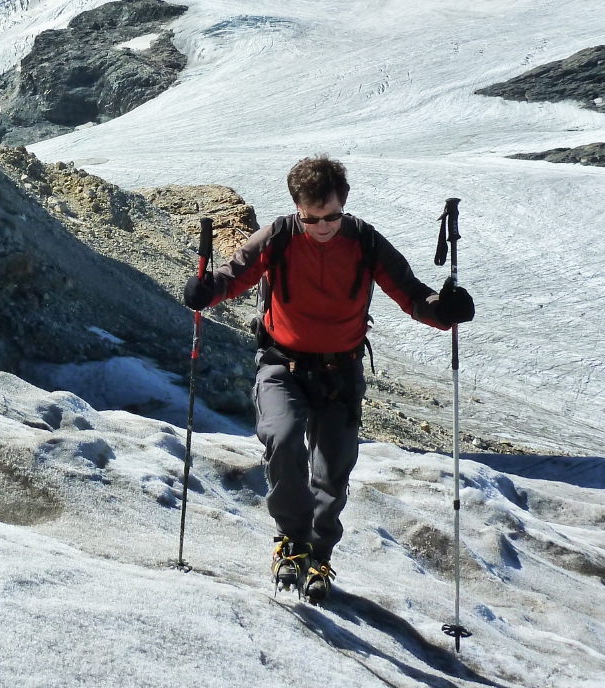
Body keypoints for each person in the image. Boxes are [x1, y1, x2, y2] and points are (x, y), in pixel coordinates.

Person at [182, 155, 474, 603]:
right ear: (297, 207)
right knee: (282, 437)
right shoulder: (278, 237)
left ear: (345, 204)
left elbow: (412, 294)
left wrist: (443, 310)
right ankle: (292, 541)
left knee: (333, 472)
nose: (323, 226)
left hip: (341, 371)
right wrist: (207, 290)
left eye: (332, 216)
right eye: (312, 217)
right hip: (282, 365)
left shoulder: (366, 243)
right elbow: (233, 275)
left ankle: (318, 552)